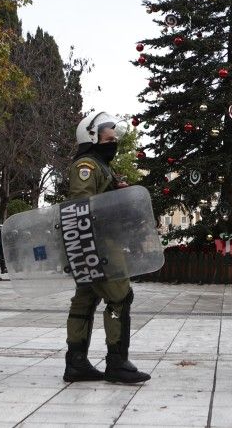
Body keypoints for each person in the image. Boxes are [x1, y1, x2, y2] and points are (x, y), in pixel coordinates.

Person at [62, 111, 149, 385]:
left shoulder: (101, 166)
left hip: (90, 244)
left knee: (86, 300)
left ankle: (76, 363)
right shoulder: (86, 165)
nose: (113, 140)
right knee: (120, 297)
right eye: (108, 136)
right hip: (96, 244)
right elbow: (81, 205)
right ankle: (117, 362)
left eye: (114, 136)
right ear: (91, 136)